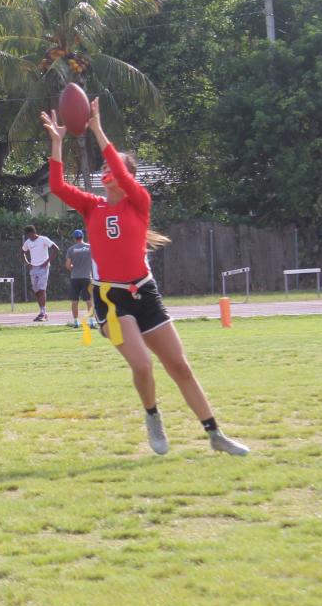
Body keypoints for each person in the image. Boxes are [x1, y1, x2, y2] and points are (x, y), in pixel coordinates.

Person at [42, 99, 248, 456]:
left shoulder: (139, 200)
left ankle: (214, 433)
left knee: (180, 366)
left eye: (115, 166)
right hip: (111, 300)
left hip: (145, 294)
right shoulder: (93, 206)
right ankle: (152, 415)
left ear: (128, 178)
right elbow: (58, 188)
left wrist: (96, 128)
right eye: (106, 165)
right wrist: (58, 142)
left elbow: (123, 174)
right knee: (142, 364)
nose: (108, 169)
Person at [21, 225, 59, 322]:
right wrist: (27, 263)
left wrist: (47, 262)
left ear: (33, 233)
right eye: (27, 236)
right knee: (36, 291)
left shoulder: (43, 239)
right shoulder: (28, 242)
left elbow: (56, 249)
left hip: (43, 268)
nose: (29, 237)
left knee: (42, 290)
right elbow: (22, 252)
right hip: (33, 268)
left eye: (29, 235)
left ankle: (43, 313)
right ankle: (43, 312)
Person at [64, 229, 96, 329]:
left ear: (74, 238)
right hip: (87, 277)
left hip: (75, 278)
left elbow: (68, 265)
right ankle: (92, 322)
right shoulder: (90, 247)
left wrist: (72, 266)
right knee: (89, 300)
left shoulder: (71, 249)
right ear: (82, 237)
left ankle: (76, 322)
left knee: (74, 301)